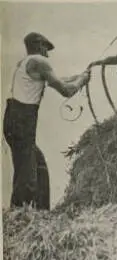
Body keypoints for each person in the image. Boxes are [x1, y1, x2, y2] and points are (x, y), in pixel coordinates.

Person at [3, 32, 91, 210]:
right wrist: (82, 81)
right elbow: (66, 90)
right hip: (22, 121)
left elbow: (56, 81)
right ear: (40, 46)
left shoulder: (26, 63)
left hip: (14, 119)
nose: (48, 54)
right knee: (28, 176)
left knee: (37, 164)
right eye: (46, 49)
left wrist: (79, 76)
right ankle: (21, 215)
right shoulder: (40, 62)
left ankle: (40, 213)